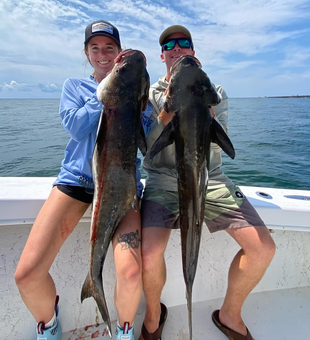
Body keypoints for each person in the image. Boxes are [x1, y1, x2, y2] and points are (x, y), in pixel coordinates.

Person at [14, 20, 151, 340]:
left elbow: (150, 136)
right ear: (87, 53)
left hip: (122, 183)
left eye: (109, 48)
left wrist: (148, 101)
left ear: (118, 53)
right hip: (77, 182)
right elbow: (76, 127)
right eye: (95, 48)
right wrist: (110, 93)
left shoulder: (138, 92)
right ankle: (48, 324)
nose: (103, 54)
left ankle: (124, 330)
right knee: (27, 275)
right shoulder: (74, 87)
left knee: (130, 273)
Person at [139, 25, 276, 340]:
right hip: (163, 181)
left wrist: (205, 113)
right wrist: (167, 115)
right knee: (147, 255)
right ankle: (153, 318)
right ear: (162, 56)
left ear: (192, 51)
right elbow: (146, 149)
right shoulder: (150, 95)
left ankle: (229, 315)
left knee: (263, 249)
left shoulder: (216, 91)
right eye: (169, 45)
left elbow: (222, 145)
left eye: (183, 43)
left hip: (210, 178)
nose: (176, 48)